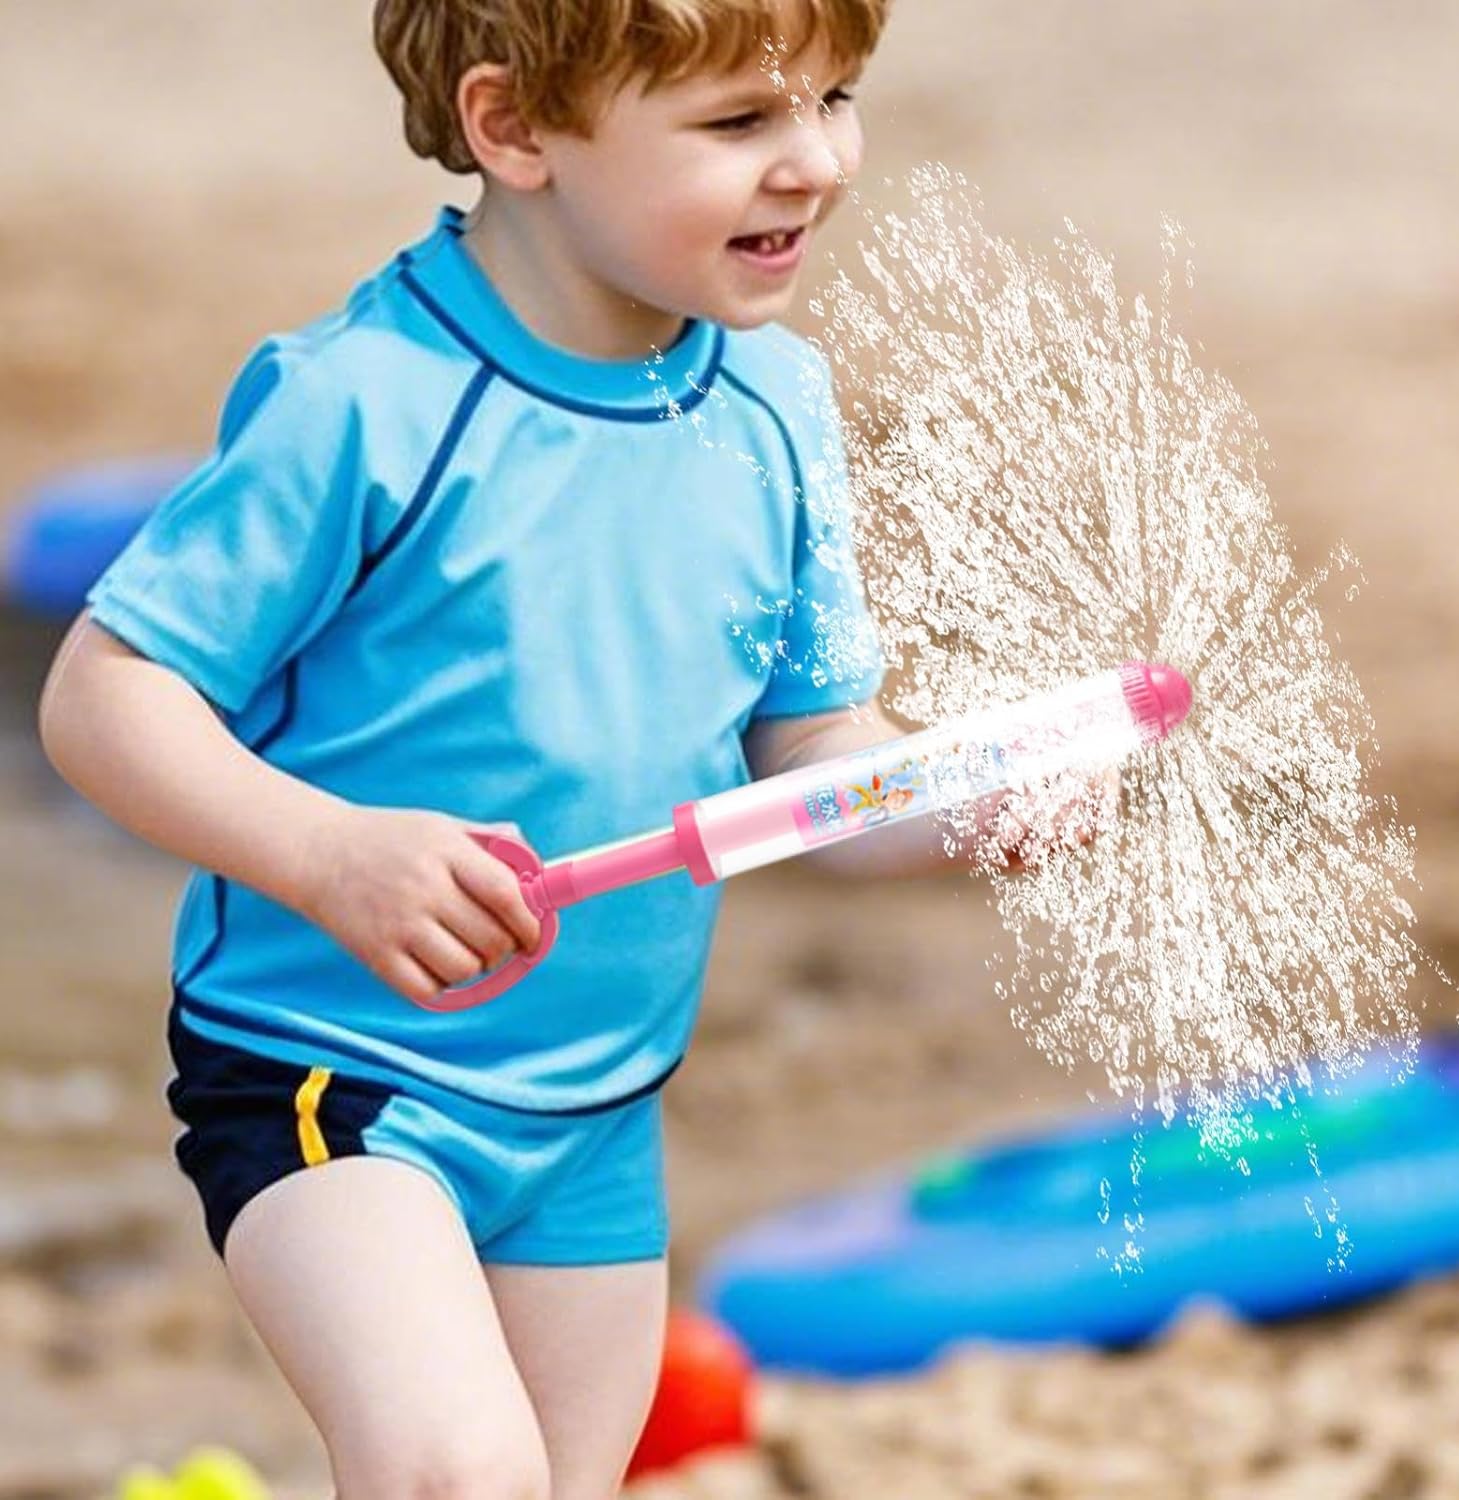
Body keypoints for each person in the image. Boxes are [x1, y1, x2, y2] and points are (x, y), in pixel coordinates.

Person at [37, 1, 1086, 1494]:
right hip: (336, 1075)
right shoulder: (363, 402)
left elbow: (812, 762)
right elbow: (105, 693)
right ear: (515, 126)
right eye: (741, 121)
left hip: (596, 1113)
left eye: (835, 98)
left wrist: (959, 805)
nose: (817, 163)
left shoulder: (776, 408)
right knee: (463, 1476)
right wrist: (329, 854)